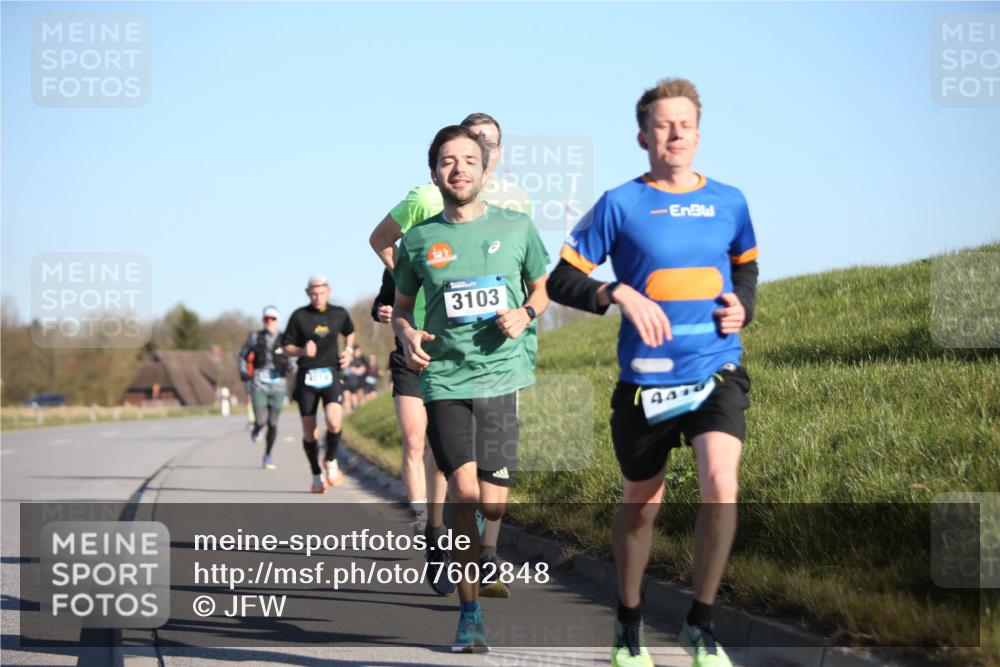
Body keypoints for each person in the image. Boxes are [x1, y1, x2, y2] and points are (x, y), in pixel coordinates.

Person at [547, 78, 759, 667]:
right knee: (642, 502)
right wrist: (615, 291)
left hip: (717, 369)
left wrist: (745, 304)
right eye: (663, 125)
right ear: (643, 136)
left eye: (684, 124)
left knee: (721, 483)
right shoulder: (621, 203)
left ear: (697, 133)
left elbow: (746, 269)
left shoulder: (730, 201)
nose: (674, 134)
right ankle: (629, 618)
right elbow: (562, 277)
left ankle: (701, 622)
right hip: (646, 382)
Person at [392, 125, 549, 652]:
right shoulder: (417, 240)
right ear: (434, 172)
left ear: (484, 171)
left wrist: (526, 313)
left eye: (467, 160)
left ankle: (485, 548)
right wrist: (408, 332)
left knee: (495, 501)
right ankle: (470, 611)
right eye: (445, 161)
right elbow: (400, 307)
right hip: (443, 381)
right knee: (462, 491)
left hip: (502, 375)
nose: (457, 168)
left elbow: (542, 287)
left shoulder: (519, 227)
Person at [370, 113, 530, 598]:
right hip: (431, 339)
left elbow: (525, 270)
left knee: (495, 459)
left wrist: (522, 314)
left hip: (496, 347)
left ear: (497, 153)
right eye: (469, 143)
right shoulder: (425, 198)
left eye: (489, 144)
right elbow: (382, 240)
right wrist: (413, 284)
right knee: (439, 451)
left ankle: (488, 556)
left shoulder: (518, 204)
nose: (479, 151)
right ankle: (438, 536)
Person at [282, 275, 356, 494]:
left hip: (331, 373)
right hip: (307, 376)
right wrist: (302, 351)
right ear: (307, 293)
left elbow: (349, 332)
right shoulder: (299, 316)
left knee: (334, 421)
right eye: (313, 294)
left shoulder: (339, 313)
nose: (317, 297)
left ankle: (331, 460)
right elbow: (286, 346)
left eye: (321, 293)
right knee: (309, 430)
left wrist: (349, 351)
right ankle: (316, 475)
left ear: (328, 291)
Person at [238, 306, 294, 470]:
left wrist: (292, 366)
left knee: (273, 423)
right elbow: (242, 356)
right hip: (258, 384)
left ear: (277, 320)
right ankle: (257, 428)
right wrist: (243, 372)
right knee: (261, 420)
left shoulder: (285, 338)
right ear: (263, 320)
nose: (269, 321)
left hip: (278, 385)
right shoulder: (255, 337)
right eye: (266, 319)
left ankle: (268, 455)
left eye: (273, 318)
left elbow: (293, 357)